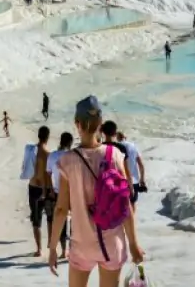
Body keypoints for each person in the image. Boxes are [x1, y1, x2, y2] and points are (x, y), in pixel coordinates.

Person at [49, 96, 145, 284]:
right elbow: (126, 205)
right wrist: (133, 244)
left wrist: (52, 248)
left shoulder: (67, 161)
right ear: (100, 123)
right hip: (112, 243)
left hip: (82, 245)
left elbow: (61, 210)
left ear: (77, 124)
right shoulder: (115, 155)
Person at [46, 131, 74, 260]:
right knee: (75, 222)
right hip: (73, 192)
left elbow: (48, 174)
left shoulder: (52, 156)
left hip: (58, 192)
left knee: (61, 221)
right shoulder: (73, 155)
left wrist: (51, 190)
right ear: (70, 142)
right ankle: (73, 250)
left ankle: (63, 251)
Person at [28, 125, 53, 257]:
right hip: (46, 189)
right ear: (47, 137)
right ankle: (50, 241)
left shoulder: (31, 151)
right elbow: (47, 174)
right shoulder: (48, 154)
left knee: (36, 219)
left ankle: (39, 249)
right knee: (49, 217)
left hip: (33, 186)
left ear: (38, 135)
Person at [117, 131, 147, 206]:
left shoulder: (116, 147)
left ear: (117, 138)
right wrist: (142, 180)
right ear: (125, 137)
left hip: (120, 181)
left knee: (121, 207)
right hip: (134, 181)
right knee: (132, 203)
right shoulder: (133, 146)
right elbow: (141, 165)